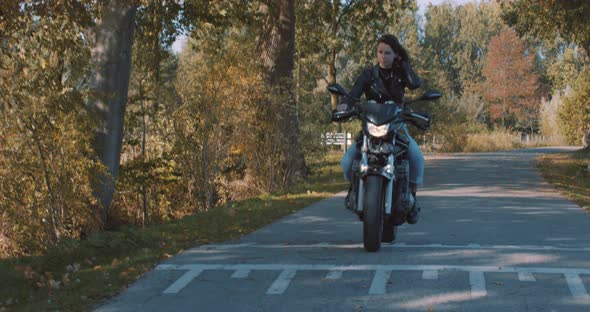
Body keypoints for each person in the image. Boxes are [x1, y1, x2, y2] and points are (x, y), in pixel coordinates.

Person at [336, 34, 423, 224]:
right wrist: (343, 107)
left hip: (396, 126)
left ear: (395, 55)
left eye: (388, 53)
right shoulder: (368, 74)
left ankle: (413, 199)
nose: (383, 56)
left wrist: (405, 65)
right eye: (380, 52)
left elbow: (415, 84)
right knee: (346, 162)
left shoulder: (401, 75)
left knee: (416, 157)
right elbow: (353, 95)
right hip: (371, 127)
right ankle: (355, 190)